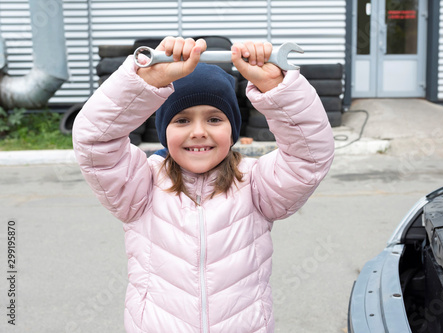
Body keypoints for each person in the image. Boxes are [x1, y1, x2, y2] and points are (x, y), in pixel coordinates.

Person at [72, 36, 335, 333]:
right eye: (182, 120)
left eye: (214, 119)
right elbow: (94, 139)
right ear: (163, 130)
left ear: (233, 129)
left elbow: (310, 155)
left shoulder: (256, 183)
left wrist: (278, 89)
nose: (198, 132)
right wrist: (144, 83)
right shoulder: (138, 186)